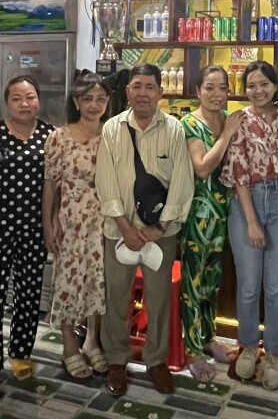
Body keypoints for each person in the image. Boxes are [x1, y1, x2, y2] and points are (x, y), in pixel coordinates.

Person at [96, 63, 194, 397]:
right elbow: (105, 180)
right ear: (127, 91)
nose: (143, 93)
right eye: (137, 86)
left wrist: (161, 226)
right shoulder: (111, 129)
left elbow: (183, 180)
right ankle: (117, 360)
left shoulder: (174, 129)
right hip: (118, 232)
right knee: (116, 298)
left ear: (160, 92)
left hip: (161, 235)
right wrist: (124, 226)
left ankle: (156, 361)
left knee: (159, 299)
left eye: (150, 87)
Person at [0, 75, 54, 408]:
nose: (25, 103)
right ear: (7, 102)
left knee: (30, 294)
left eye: (30, 97)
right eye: (17, 98)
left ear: (38, 100)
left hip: (34, 231)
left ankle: (20, 352)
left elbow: (53, 186)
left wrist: (50, 226)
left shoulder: (50, 135)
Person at [221, 60, 278, 391]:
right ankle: (249, 346)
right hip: (246, 201)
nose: (257, 90)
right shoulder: (238, 120)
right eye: (251, 85)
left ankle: (275, 352)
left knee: (276, 285)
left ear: (275, 86)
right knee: (249, 285)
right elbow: (238, 173)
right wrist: (251, 221)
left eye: (264, 84)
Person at [43, 73, 111, 382]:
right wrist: (49, 221)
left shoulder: (112, 135)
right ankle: (69, 345)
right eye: (87, 99)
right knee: (68, 281)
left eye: (100, 99)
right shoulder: (60, 136)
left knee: (98, 281)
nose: (94, 105)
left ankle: (92, 339)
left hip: (103, 219)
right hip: (69, 217)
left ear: (108, 102)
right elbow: (51, 184)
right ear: (76, 102)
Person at [179, 65, 243, 382]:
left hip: (224, 213)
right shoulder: (190, 123)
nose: (217, 94)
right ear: (197, 90)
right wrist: (228, 134)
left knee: (212, 282)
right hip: (198, 215)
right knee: (193, 284)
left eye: (222, 88)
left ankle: (207, 338)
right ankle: (191, 349)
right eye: (210, 87)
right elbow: (202, 168)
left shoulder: (229, 117)